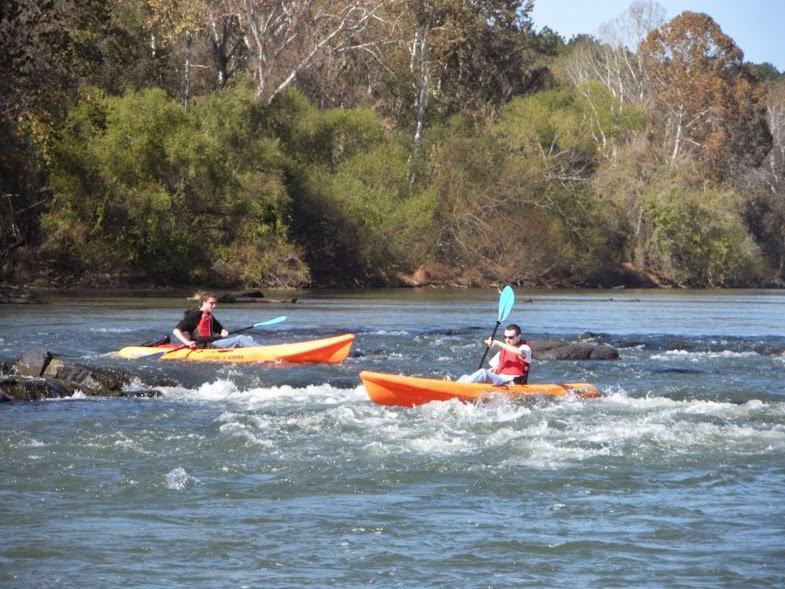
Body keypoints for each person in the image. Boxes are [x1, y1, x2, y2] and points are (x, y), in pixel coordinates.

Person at [173, 292, 255, 349]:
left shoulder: (208, 315)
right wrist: (187, 342)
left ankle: (256, 350)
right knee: (240, 339)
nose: (214, 305)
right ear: (204, 302)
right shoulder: (194, 314)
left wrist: (223, 331)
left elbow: (220, 329)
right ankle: (263, 351)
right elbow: (176, 331)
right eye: (211, 303)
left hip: (211, 343)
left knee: (248, 338)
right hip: (202, 345)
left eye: (215, 303)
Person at [458, 323, 532, 385]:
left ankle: (460, 388)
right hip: (501, 379)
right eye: (505, 337)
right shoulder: (503, 350)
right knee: (466, 377)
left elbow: (520, 353)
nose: (507, 340)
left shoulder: (525, 348)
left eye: (510, 337)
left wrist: (497, 342)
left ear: (519, 337)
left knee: (483, 373)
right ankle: (456, 386)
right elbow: (494, 370)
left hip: (513, 382)